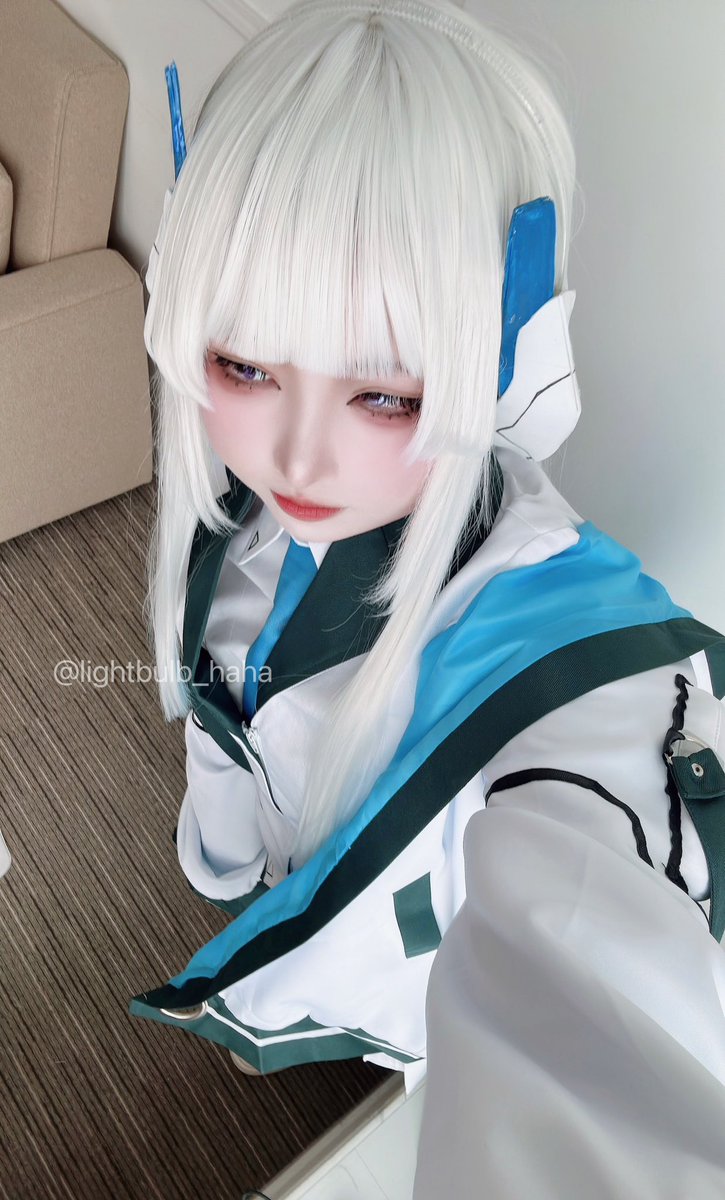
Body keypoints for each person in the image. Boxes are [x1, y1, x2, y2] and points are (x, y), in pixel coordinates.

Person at [131, 0, 725, 1189]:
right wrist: (219, 864)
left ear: (511, 361)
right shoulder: (236, 517)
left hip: (408, 1001)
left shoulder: (569, 678)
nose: (293, 455)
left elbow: (590, 1000)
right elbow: (222, 721)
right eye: (243, 364)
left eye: (384, 394)